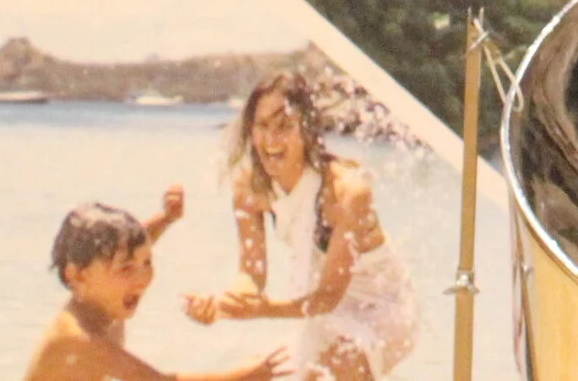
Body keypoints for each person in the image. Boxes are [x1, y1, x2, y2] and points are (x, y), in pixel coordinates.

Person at [185, 73, 417, 381]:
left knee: (336, 366)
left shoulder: (347, 192)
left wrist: (263, 310)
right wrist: (223, 304)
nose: (271, 139)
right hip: (321, 308)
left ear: (306, 129)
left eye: (283, 126)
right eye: (262, 126)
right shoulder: (249, 186)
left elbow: (328, 296)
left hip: (381, 307)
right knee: (270, 371)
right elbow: (251, 274)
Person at [25, 193, 289, 381]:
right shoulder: (78, 339)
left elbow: (133, 245)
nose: (142, 279)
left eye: (147, 263)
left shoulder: (102, 299)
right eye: (126, 269)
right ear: (78, 276)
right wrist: (243, 376)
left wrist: (166, 219)